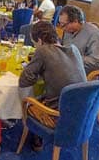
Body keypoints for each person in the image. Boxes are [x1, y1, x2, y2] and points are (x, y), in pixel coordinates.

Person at [19, 21, 86, 151]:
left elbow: (25, 79)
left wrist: (36, 68)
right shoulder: (73, 49)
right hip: (82, 112)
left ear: (39, 40)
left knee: (31, 101)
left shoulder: (43, 51)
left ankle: (37, 137)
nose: (35, 46)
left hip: (58, 116)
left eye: (35, 44)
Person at [60, 5, 99, 75]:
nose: (62, 28)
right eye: (60, 24)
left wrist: (74, 57)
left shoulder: (94, 34)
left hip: (81, 71)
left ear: (75, 21)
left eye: (63, 24)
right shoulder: (68, 30)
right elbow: (64, 46)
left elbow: (97, 62)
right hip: (67, 65)